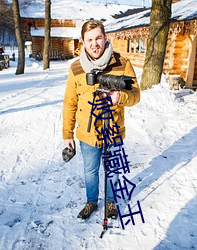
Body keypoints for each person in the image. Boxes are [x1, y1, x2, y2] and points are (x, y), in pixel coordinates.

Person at [62, 20, 140, 220]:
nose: (94, 43)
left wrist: (119, 97)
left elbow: (136, 95)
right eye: (89, 40)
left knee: (112, 170)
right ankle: (91, 201)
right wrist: (67, 134)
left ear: (105, 38)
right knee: (90, 171)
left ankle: (111, 201)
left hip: (113, 130)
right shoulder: (76, 68)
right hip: (87, 134)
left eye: (98, 38)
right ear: (83, 42)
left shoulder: (122, 63)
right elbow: (70, 102)